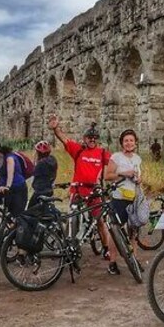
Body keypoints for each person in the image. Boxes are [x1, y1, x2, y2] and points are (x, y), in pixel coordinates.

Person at [48, 114, 118, 274]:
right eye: (89, 138)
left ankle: (106, 247)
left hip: (95, 191)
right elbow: (64, 139)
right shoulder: (78, 150)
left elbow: (110, 169)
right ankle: (68, 247)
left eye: (94, 138)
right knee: (72, 219)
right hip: (78, 191)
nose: (92, 140)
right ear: (84, 139)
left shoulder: (102, 153)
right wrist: (55, 129)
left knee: (100, 220)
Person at [107, 129, 143, 273]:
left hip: (133, 198)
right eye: (126, 140)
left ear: (135, 143)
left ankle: (134, 260)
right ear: (122, 143)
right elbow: (107, 176)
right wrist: (123, 173)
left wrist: (140, 179)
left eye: (131, 140)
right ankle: (112, 262)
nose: (129, 143)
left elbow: (141, 175)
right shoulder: (116, 157)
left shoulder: (137, 158)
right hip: (119, 199)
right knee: (115, 231)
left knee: (134, 231)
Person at [28, 140, 58, 208]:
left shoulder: (40, 164)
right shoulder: (53, 159)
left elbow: (32, 173)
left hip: (39, 192)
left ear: (39, 153)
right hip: (49, 190)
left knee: (29, 212)